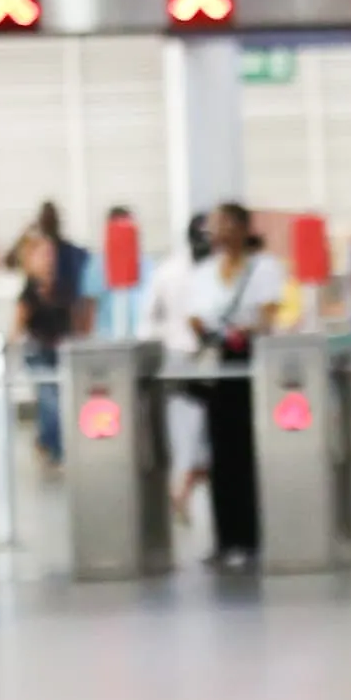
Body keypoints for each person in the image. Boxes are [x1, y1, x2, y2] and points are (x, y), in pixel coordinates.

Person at [186, 203, 286, 569]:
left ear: (243, 229)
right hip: (218, 367)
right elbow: (195, 318)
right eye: (213, 226)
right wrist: (214, 332)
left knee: (247, 453)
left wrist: (245, 329)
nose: (217, 232)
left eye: (224, 224)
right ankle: (224, 538)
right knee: (219, 454)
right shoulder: (203, 273)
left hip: (251, 365)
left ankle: (252, 536)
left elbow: (268, 314)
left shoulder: (264, 268)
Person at [143, 213, 214, 527]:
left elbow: (148, 321)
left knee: (196, 435)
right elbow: (150, 319)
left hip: (197, 357)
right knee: (189, 433)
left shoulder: (169, 271)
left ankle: (181, 490)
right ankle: (181, 489)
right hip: (185, 359)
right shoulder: (175, 272)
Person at [17, 204, 90, 464]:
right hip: (38, 350)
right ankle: (56, 449)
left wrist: (81, 334)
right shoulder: (31, 287)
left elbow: (76, 310)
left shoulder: (65, 278)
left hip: (60, 347)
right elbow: (21, 319)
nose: (49, 259)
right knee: (50, 399)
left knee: (56, 399)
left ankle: (48, 442)